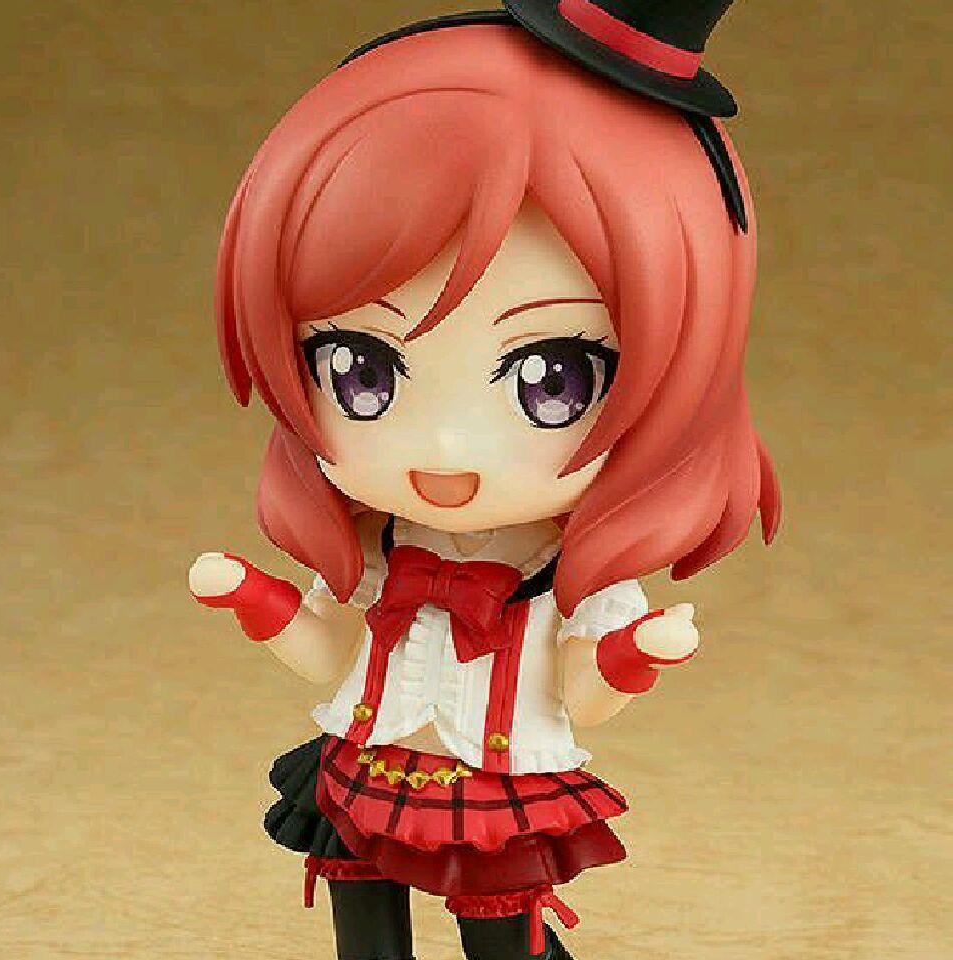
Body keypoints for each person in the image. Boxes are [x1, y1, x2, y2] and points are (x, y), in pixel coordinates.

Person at [190, 4, 780, 958]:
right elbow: (332, 648)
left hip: (495, 784)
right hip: (367, 764)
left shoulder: (562, 572)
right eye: (359, 369)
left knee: (500, 932)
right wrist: (255, 599)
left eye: (554, 379)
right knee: (364, 924)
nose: (447, 447)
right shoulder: (382, 544)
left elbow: (581, 691)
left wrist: (636, 655)